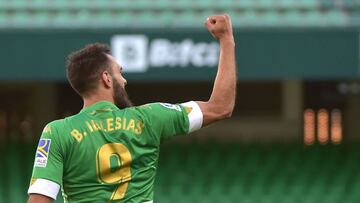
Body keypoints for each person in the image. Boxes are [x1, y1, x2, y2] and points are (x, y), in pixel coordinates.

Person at [27, 14, 236, 203]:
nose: (124, 80)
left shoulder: (57, 132)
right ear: (106, 79)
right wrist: (226, 39)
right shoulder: (150, 118)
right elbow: (220, 107)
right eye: (120, 72)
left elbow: (39, 200)